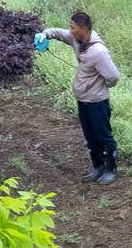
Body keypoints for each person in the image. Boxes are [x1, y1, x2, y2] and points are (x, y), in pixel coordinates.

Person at [40, 12, 123, 184]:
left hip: (97, 102)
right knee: (90, 137)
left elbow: (113, 76)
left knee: (103, 136)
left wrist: (99, 86)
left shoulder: (98, 52)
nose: (70, 31)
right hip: (83, 100)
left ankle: (110, 170)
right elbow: (58, 33)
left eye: (73, 28)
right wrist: (45, 34)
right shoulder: (77, 39)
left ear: (84, 29)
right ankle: (97, 167)